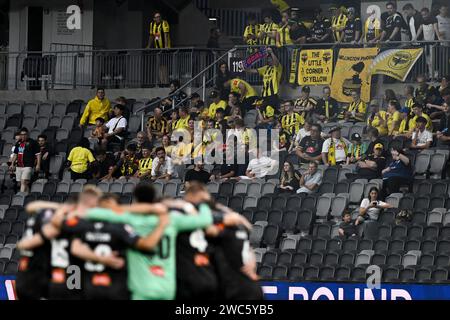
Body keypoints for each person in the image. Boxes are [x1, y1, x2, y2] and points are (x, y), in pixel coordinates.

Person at [83, 183, 214, 300]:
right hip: (167, 288)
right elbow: (205, 220)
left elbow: (90, 213)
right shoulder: (171, 219)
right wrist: (203, 203)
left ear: (135, 200)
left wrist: (129, 208)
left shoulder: (129, 219)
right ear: (154, 199)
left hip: (142, 289)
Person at [9, 128, 41, 193]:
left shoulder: (33, 142)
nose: (23, 136)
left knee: (23, 181)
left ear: (28, 134)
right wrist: (12, 164)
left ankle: (21, 197)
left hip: (28, 165)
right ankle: (27, 196)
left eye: (25, 134)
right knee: (21, 183)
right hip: (19, 165)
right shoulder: (18, 143)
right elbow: (15, 154)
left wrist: (38, 164)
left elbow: (38, 154)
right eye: (22, 134)